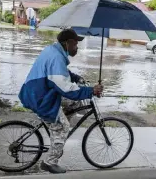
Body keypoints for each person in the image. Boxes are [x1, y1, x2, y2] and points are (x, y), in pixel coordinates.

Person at [18, 29, 103, 174]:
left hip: (38, 91)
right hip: (41, 98)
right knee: (64, 127)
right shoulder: (57, 58)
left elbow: (60, 73)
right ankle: (49, 162)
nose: (77, 47)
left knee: (74, 104)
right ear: (68, 43)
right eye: (76, 43)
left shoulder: (53, 50)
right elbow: (67, 89)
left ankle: (56, 134)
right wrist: (91, 91)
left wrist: (76, 78)